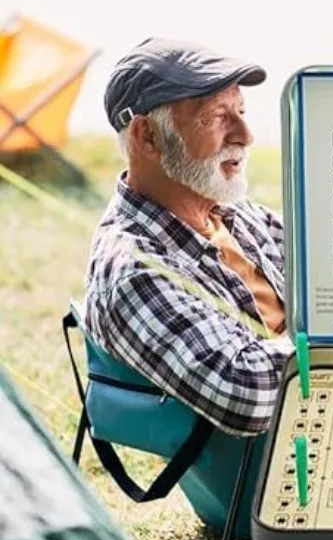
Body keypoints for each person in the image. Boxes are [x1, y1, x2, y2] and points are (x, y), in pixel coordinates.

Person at [83, 37, 293, 437]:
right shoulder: (134, 271)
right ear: (148, 137)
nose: (246, 135)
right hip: (273, 460)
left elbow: (331, 271)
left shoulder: (229, 211)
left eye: (242, 112)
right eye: (217, 117)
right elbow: (250, 397)